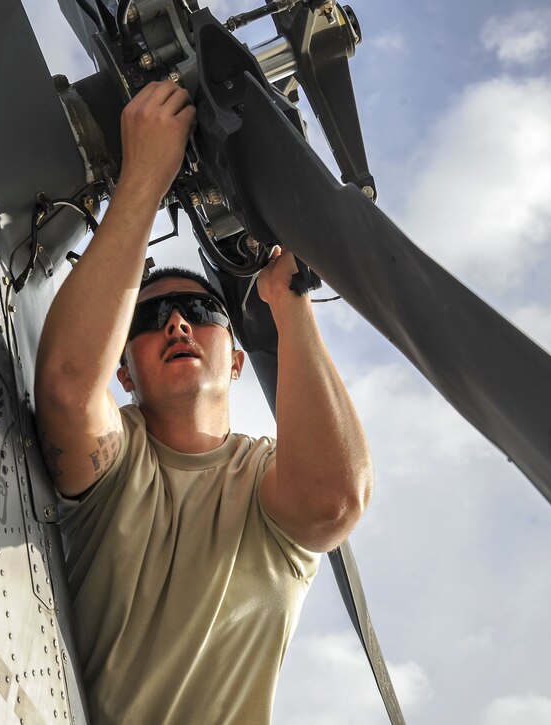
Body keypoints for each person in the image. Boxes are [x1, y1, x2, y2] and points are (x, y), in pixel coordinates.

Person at [34, 79, 372, 724]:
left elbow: (334, 503)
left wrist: (288, 302)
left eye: (200, 309)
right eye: (151, 317)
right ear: (124, 373)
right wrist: (143, 180)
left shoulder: (268, 478)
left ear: (238, 359)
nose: (177, 324)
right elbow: (69, 387)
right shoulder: (117, 460)